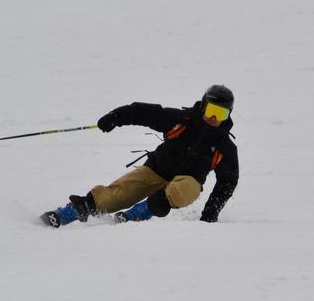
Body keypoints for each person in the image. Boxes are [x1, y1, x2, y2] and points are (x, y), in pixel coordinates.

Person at [40, 84, 239, 227]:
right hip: (155, 170)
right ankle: (68, 213)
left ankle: (137, 214)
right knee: (115, 196)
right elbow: (143, 112)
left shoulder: (225, 148)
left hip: (184, 184)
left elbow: (227, 182)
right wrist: (116, 117)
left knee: (187, 188)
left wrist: (210, 214)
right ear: (204, 106)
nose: (214, 118)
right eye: (212, 110)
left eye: (221, 114)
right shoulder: (180, 120)